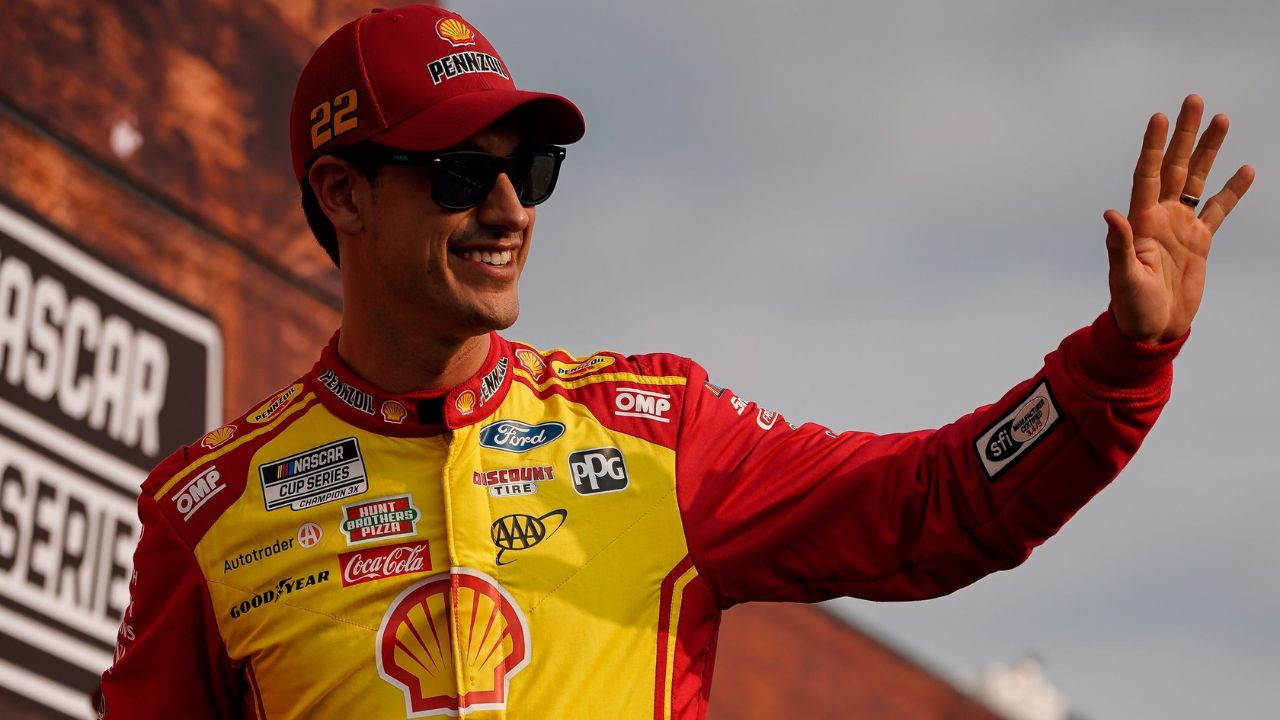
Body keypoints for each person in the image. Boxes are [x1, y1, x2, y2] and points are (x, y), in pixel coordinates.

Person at [97, 4, 1253, 719]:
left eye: (531, 168)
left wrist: (1120, 358)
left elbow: (935, 505)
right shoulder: (211, 510)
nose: (507, 208)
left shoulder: (653, 431)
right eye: (460, 173)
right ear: (342, 195)